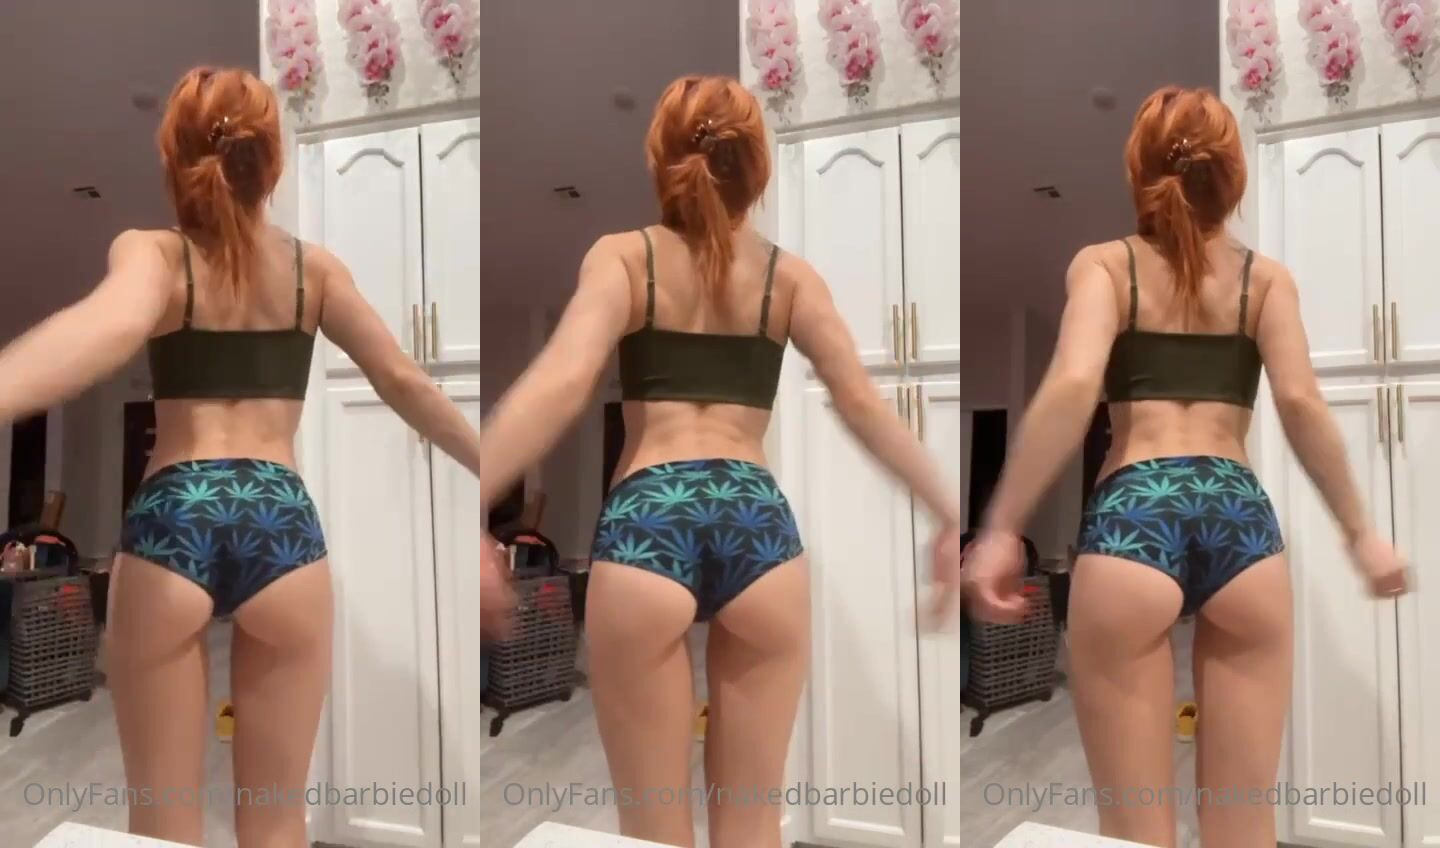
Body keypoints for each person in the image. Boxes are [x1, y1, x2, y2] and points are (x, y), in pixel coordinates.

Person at [0, 67, 493, 847]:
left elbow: (108, 327)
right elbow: (403, 379)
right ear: (272, 163)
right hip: (280, 523)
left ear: (174, 158)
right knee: (276, 819)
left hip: (173, 518)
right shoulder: (312, 271)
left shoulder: (153, 254)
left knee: (162, 818)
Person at [477, 75, 961, 848]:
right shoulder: (788, 277)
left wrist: (473, 506)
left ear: (660, 160)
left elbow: (563, 382)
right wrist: (949, 511)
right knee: (753, 823)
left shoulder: (624, 257)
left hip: (648, 520)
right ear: (758, 169)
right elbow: (865, 405)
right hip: (756, 524)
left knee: (652, 826)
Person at [962, 86, 1410, 848]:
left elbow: (1073, 385)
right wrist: (1362, 533)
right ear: (1232, 178)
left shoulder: (1105, 266)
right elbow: (1300, 402)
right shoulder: (1266, 281)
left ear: (1139, 171)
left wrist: (1001, 527)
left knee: (1134, 827)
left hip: (1134, 512)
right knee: (1244, 822)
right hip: (1239, 520)